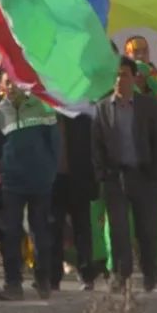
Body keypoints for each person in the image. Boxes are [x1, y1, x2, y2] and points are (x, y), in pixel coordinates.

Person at [91, 57, 157, 293]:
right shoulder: (102, 108)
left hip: (143, 175)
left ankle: (150, 273)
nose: (119, 80)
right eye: (115, 75)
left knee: (147, 229)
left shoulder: (148, 106)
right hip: (116, 177)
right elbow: (96, 145)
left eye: (124, 74)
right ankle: (120, 275)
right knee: (118, 230)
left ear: (134, 78)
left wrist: (155, 171)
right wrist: (103, 172)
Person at [0, 84, 61, 300]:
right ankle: (13, 283)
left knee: (39, 231)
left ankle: (43, 279)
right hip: (13, 183)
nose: (10, 87)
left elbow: (54, 143)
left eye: (14, 82)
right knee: (11, 233)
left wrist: (49, 170)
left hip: (40, 180)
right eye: (6, 82)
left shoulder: (42, 107)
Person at [51, 111, 99, 291]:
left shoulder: (83, 119)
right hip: (54, 181)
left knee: (82, 228)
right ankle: (53, 276)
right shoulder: (48, 118)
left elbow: (92, 151)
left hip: (79, 180)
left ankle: (86, 274)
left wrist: (94, 181)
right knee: (54, 228)